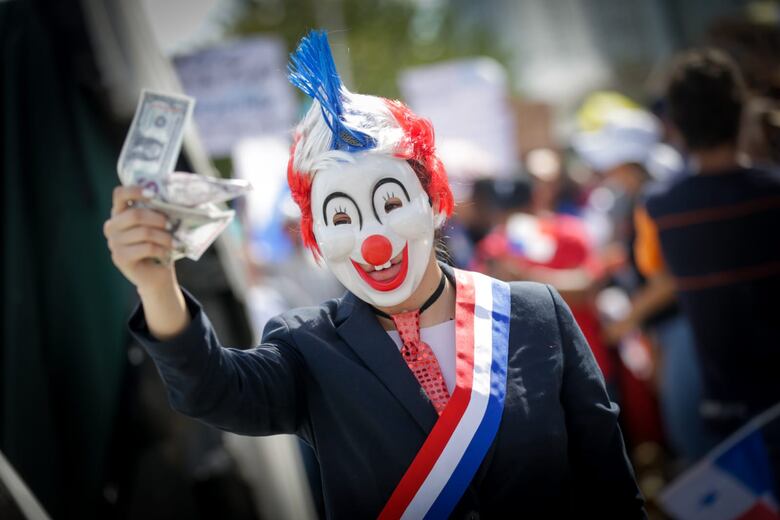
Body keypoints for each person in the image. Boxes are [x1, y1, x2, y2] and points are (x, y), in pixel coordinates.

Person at [103, 31, 645, 518]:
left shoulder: (535, 314)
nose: (373, 239)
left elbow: (609, 482)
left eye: (390, 202)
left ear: (434, 200)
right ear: (315, 233)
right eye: (340, 216)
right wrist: (156, 282)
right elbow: (213, 391)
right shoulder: (308, 347)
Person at [635, 48, 780, 440]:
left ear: (675, 124)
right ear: (741, 112)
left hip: (725, 407)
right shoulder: (772, 191)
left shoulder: (658, 209)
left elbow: (658, 278)